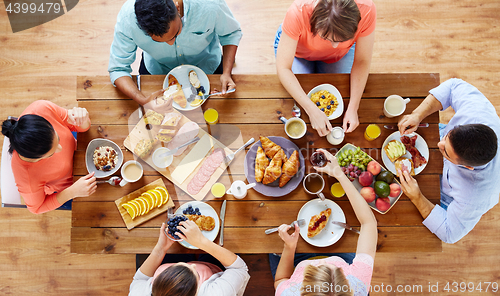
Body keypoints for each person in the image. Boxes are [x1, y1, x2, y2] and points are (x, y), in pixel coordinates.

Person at [397, 78, 500, 244]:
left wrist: (417, 197)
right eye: (447, 136)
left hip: (447, 192)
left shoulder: (476, 196)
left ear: (466, 166)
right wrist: (417, 114)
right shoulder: (478, 112)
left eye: (445, 151)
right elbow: (452, 86)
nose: (439, 144)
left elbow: (450, 233)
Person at [272, 149, 377, 295]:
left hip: (296, 259)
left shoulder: (287, 292)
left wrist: (289, 246)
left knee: (272, 248)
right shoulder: (358, 284)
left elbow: (281, 279)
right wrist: (339, 174)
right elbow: (369, 223)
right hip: (343, 254)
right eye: (336, 269)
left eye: (317, 268)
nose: (323, 260)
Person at [108, 0, 242, 110]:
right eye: (159, 41)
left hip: (208, 65)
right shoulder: (128, 19)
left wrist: (226, 73)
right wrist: (143, 100)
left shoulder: (210, 4)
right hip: (157, 72)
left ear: (177, 7)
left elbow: (231, 33)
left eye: (176, 33)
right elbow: (118, 69)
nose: (171, 44)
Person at [275, 0, 376, 137]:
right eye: (327, 38)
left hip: (340, 56)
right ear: (315, 21)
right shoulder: (297, 12)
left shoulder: (367, 9)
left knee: (340, 89)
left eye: (341, 40)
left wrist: (353, 107)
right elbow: (283, 68)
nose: (335, 46)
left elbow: (362, 60)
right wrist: (312, 110)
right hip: (299, 53)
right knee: (300, 91)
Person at [1, 100, 96, 214]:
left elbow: (81, 127)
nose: (61, 149)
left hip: (85, 151)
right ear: (35, 159)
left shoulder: (41, 108)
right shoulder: (27, 177)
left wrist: (82, 119)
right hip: (78, 183)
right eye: (51, 154)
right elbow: (36, 208)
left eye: (58, 139)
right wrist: (71, 192)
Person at [130, 220, 250, 296]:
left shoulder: (139, 293)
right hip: (214, 268)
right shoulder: (217, 293)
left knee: (178, 247)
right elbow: (239, 268)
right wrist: (202, 242)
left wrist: (160, 249)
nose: (192, 264)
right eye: (196, 273)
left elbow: (139, 279)